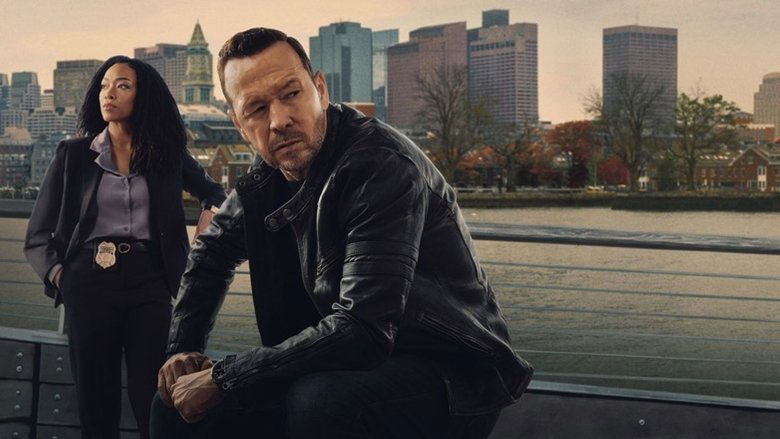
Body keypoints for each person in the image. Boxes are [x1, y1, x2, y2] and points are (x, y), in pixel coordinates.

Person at [151, 27, 533, 439]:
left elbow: (364, 329)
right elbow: (210, 255)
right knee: (172, 403)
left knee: (321, 402)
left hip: (450, 377)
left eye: (291, 94)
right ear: (239, 124)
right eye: (257, 108)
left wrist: (225, 377)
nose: (279, 120)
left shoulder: (381, 166)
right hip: (335, 362)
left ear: (320, 89)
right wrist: (183, 352)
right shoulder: (267, 175)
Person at [24, 55, 227, 439]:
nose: (109, 94)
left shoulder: (166, 156)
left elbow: (215, 193)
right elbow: (37, 235)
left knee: (153, 396)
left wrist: (204, 227)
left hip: (151, 283)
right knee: (95, 399)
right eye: (104, 85)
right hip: (86, 281)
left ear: (143, 95)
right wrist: (60, 275)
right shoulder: (72, 155)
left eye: (122, 85)